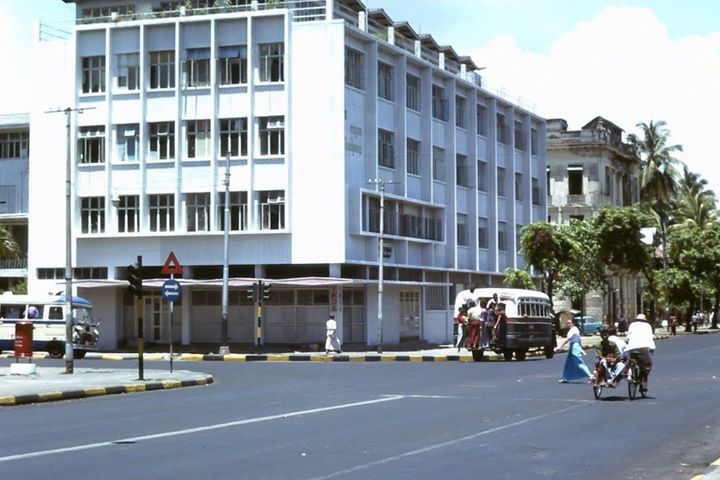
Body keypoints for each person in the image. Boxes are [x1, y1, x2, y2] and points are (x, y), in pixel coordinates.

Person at [623, 313, 655, 393]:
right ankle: (642, 381)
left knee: (633, 359)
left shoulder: (632, 325)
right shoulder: (647, 326)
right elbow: (650, 338)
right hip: (643, 349)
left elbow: (628, 337)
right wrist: (652, 348)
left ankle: (628, 369)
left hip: (632, 348)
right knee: (648, 364)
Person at [555, 318, 592, 383]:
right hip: (573, 346)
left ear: (573, 323)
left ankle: (591, 376)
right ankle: (566, 378)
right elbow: (578, 341)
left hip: (574, 347)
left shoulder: (573, 329)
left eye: (569, 323)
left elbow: (568, 339)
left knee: (579, 362)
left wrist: (559, 347)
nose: (568, 324)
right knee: (568, 363)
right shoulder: (574, 330)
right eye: (567, 323)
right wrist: (581, 349)